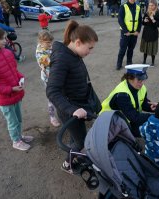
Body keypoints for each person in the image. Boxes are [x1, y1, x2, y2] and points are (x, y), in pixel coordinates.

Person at [46, 20, 99, 174]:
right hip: (70, 109)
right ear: (77, 42)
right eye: (89, 48)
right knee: (81, 141)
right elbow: (52, 91)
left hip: (77, 105)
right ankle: (67, 164)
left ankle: (72, 147)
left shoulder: (73, 54)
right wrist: (72, 109)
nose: (90, 51)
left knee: (76, 136)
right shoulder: (62, 58)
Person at [100, 64, 157, 137]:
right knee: (150, 130)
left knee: (152, 126)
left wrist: (151, 107)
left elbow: (143, 103)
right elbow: (134, 117)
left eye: (143, 80)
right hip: (109, 122)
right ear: (130, 78)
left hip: (126, 118)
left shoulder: (140, 87)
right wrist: (157, 116)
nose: (142, 83)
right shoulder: (122, 95)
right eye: (139, 80)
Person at [35, 30, 60, 127]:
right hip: (49, 79)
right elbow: (47, 66)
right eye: (48, 42)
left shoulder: (48, 47)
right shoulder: (40, 53)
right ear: (40, 42)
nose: (50, 44)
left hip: (55, 76)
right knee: (51, 98)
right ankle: (52, 117)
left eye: (51, 42)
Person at [116, 0, 142, 70]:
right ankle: (119, 64)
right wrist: (125, 31)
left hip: (134, 33)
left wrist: (138, 30)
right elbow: (120, 19)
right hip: (125, 33)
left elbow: (140, 20)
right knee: (123, 49)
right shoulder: (123, 7)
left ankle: (129, 62)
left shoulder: (138, 7)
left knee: (131, 49)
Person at [140, 0, 159, 66]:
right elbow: (143, 22)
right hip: (146, 32)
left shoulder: (158, 13)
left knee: (153, 48)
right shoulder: (147, 12)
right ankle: (144, 61)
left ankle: (153, 62)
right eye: (149, 5)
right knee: (145, 48)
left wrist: (153, 19)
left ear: (155, 6)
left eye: (152, 5)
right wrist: (144, 20)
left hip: (153, 32)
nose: (150, 7)